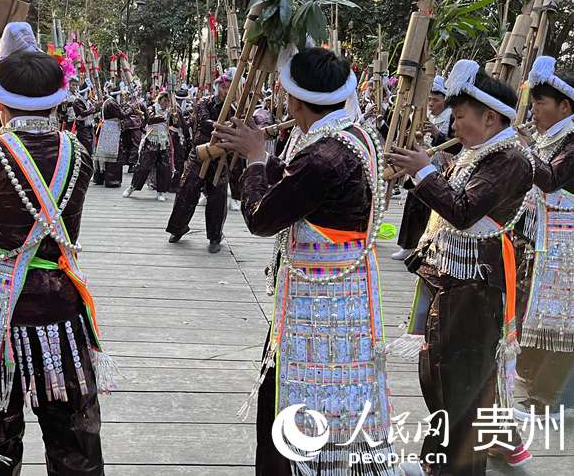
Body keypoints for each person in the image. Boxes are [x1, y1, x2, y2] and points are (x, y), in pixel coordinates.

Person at [0, 22, 111, 476]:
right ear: (56, 98)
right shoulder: (79, 154)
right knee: (73, 443)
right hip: (62, 312)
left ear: (1, 99)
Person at [214, 47, 394, 476]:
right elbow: (307, 194)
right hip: (345, 300)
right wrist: (269, 161)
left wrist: (256, 160)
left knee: (287, 405)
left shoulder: (322, 155)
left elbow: (262, 217)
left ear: (293, 100)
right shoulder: (355, 135)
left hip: (315, 309)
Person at [388, 60, 535, 475]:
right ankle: (437, 463)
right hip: (452, 279)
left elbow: (464, 212)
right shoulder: (479, 151)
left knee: (463, 386)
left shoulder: (509, 159)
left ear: (490, 118)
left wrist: (424, 172)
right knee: (440, 377)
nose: (453, 128)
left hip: (477, 286)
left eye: (459, 117)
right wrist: (418, 171)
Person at [514, 56, 574, 421]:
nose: (534, 109)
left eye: (541, 103)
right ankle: (538, 382)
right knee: (541, 309)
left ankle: (546, 399)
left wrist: (520, 149)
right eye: (534, 102)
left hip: (567, 241)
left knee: (564, 319)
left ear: (565, 106)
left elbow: (551, 178)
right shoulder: (551, 136)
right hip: (548, 238)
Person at [166, 70, 234, 253]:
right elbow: (204, 122)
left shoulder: (234, 109)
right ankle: (178, 228)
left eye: (228, 88)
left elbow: (237, 126)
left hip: (219, 157)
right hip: (200, 152)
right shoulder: (204, 102)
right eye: (222, 87)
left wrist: (231, 127)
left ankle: (214, 237)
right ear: (217, 87)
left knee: (218, 196)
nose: (225, 90)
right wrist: (225, 127)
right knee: (186, 190)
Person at [393, 75, 458, 261]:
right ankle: (408, 245)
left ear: (445, 101)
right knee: (413, 206)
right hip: (420, 168)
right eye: (429, 99)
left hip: (443, 170)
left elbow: (457, 146)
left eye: (435, 100)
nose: (431, 103)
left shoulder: (452, 117)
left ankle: (425, 249)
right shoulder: (424, 115)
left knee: (432, 212)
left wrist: (437, 133)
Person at [123, 91, 174, 201]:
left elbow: (173, 124)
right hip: (151, 141)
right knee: (143, 166)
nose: (166, 103)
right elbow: (149, 119)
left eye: (168, 101)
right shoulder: (152, 108)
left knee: (164, 168)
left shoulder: (170, 111)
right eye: (164, 101)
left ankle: (160, 192)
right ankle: (132, 187)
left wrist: (174, 117)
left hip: (163, 142)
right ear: (160, 100)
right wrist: (162, 117)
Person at [93, 89, 125, 188]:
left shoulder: (108, 102)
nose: (123, 97)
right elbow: (121, 115)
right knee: (113, 156)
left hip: (107, 129)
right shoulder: (111, 103)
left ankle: (100, 178)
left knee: (105, 155)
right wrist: (131, 109)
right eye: (122, 95)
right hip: (111, 131)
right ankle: (112, 180)